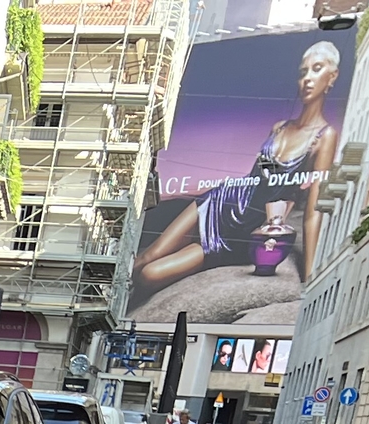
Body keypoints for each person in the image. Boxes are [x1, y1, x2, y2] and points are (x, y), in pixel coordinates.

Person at [134, 39, 342, 294]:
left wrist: (309, 278)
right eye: (303, 72)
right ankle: (103, 291)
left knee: (149, 274)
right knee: (149, 255)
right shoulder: (280, 127)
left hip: (241, 234)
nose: (307, 79)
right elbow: (257, 176)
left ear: (332, 77)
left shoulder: (325, 136)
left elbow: (314, 210)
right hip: (222, 202)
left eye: (317, 69)